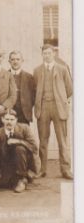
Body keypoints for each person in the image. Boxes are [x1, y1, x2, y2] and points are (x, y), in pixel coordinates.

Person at [34, 44, 73, 179]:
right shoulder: (37, 70)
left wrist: (60, 99)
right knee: (43, 140)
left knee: (62, 140)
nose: (47, 56)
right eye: (44, 53)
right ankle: (42, 170)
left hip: (58, 108)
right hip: (43, 106)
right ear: (42, 55)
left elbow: (69, 89)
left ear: (54, 54)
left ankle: (66, 169)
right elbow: (35, 89)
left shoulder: (62, 69)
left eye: (49, 53)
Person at [0, 110, 38, 193]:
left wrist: (18, 141)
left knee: (19, 149)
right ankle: (10, 177)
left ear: (16, 120)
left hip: (25, 164)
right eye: (7, 119)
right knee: (2, 184)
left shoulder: (25, 128)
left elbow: (34, 147)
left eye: (12, 119)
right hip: (8, 164)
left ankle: (22, 179)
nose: (9, 122)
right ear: (2, 120)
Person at [8, 50, 36, 124]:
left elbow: (33, 95)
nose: (15, 62)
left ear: (22, 61)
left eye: (18, 59)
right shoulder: (4, 75)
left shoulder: (29, 77)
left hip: (24, 114)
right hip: (8, 114)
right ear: (9, 61)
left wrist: (26, 105)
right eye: (13, 59)